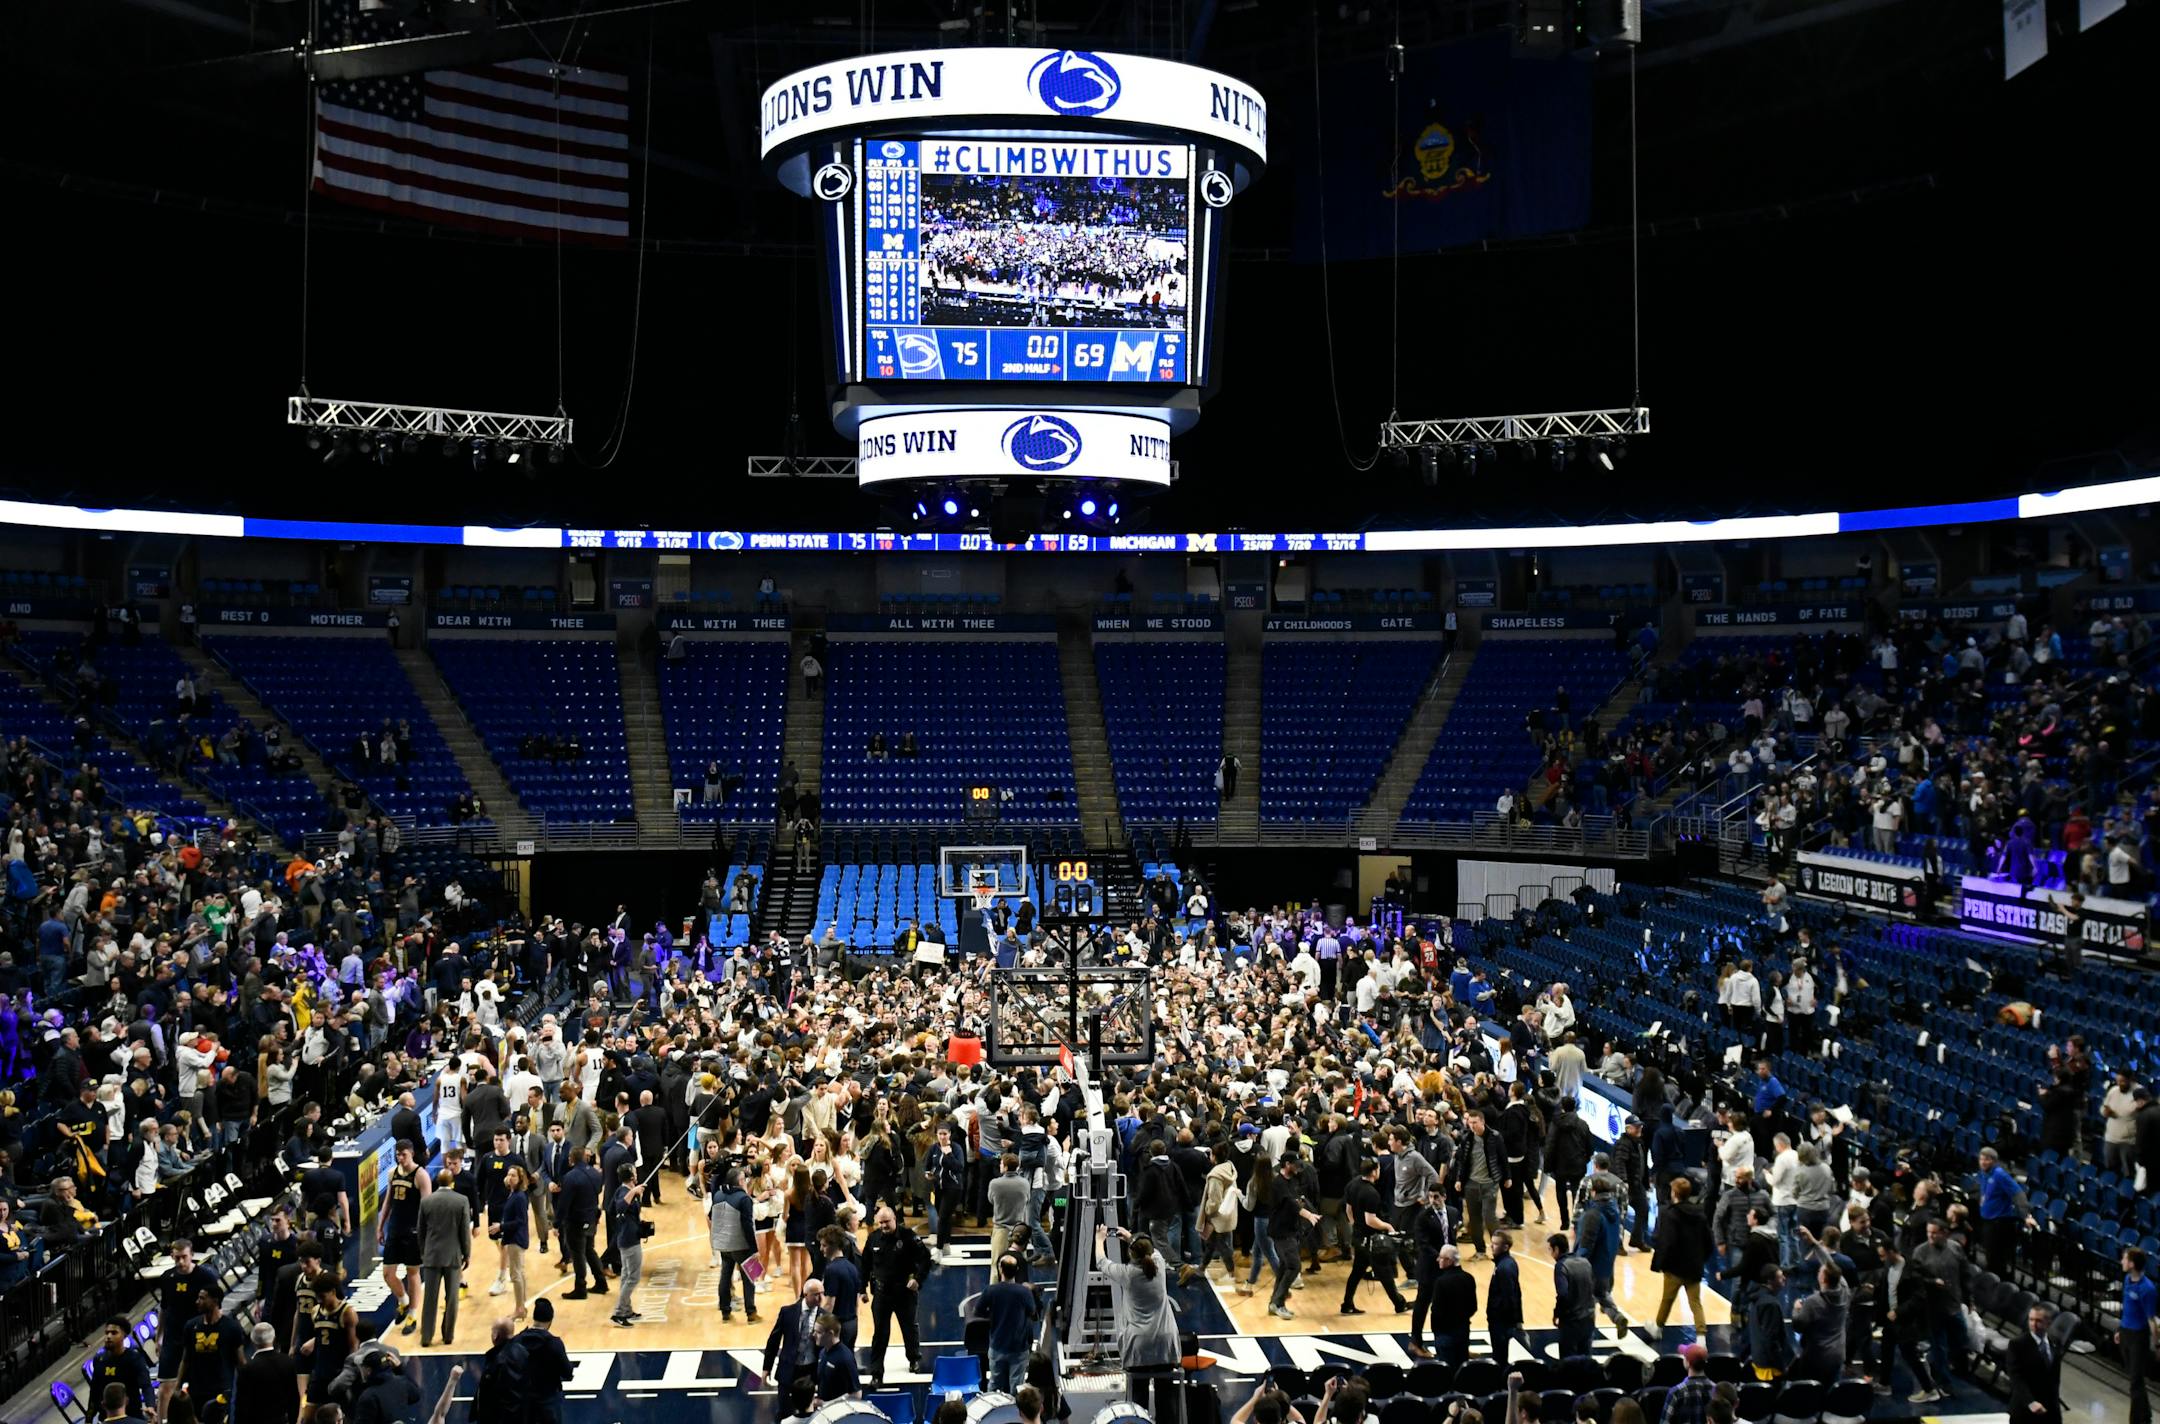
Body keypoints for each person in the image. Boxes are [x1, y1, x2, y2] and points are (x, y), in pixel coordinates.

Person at [1096, 1224, 1180, 1405]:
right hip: (1165, 1344)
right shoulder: (1158, 1263)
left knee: (1137, 1405)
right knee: (1166, 1403)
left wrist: (1099, 1239)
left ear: (1130, 1254)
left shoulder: (1128, 1274)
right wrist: (1130, 1237)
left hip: (1139, 1346)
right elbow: (1148, 1250)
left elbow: (1101, 1262)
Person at [861, 1204, 931, 1386]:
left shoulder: (908, 1237)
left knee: (909, 1327)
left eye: (887, 1222)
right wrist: (862, 1289)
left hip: (905, 1293)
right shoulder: (873, 1239)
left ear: (894, 1220)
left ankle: (914, 1359)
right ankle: (876, 1373)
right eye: (880, 1222)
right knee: (880, 1334)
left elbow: (925, 1258)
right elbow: (865, 1265)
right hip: (882, 1293)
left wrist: (918, 1279)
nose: (883, 1226)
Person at [1650, 1177, 1714, 1332]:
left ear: (1674, 1193)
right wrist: (1701, 1259)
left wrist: (1658, 1264)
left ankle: (1657, 1328)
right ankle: (1701, 1336)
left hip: (1674, 1267)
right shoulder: (1700, 1214)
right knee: (1695, 1303)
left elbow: (1666, 1242)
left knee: (1667, 1300)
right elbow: (1709, 1240)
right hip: (1694, 1266)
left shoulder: (1670, 1214)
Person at [417, 1167, 470, 1348]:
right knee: (452, 1299)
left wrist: (424, 1252)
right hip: (453, 1255)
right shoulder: (461, 1201)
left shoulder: (426, 1202)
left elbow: (421, 1231)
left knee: (429, 1299)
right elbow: (464, 1231)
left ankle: (426, 1337)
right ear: (452, 1181)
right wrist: (467, 1253)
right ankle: (448, 1335)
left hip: (432, 1255)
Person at [176, 1288, 247, 1424]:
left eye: (202, 1298)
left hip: (221, 1390)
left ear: (215, 1301)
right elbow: (185, 1360)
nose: (197, 1302)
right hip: (196, 1389)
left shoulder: (231, 1327)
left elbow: (241, 1362)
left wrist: (245, 1389)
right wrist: (177, 1386)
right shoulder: (191, 1326)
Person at [982, 1253, 1040, 1393]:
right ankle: (1015, 1413)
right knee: (1016, 1387)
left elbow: (978, 1311)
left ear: (1000, 1269)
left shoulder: (991, 1290)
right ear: (1017, 1269)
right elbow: (1033, 1313)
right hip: (1018, 1348)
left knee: (994, 1384)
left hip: (997, 1345)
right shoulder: (1024, 1292)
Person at [511, 1300, 575, 1424]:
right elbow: (568, 1373)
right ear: (550, 1320)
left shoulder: (516, 1341)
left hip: (522, 1404)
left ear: (534, 1318)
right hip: (548, 1403)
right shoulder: (554, 1344)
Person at [761, 1278, 825, 1400]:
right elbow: (774, 1341)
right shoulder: (787, 1312)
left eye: (822, 1293)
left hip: (811, 1371)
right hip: (789, 1369)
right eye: (816, 1295)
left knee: (807, 1410)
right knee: (784, 1408)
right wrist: (766, 1367)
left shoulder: (825, 1316)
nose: (821, 1298)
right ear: (806, 1294)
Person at [2006, 1305, 2063, 1424]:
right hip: (2025, 1408)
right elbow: (2016, 1377)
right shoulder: (2017, 1344)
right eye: (2031, 1320)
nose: (2033, 1324)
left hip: (2049, 1408)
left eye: (2038, 1321)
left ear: (2048, 1322)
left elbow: (2054, 1379)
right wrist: (2030, 1402)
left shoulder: (2055, 1343)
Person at [2121, 1248, 2158, 1424]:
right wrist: (2119, 1330)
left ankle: (2137, 1420)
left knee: (2135, 1380)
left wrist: (2157, 1344)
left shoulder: (2148, 1289)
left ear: (2132, 1264)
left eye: (2125, 1259)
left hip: (2138, 1336)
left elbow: (2152, 1319)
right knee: (2133, 1377)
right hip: (2125, 1332)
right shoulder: (2126, 1280)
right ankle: (2145, 1415)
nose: (2122, 1261)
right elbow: (2127, 1308)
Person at [608, 1163, 646, 1327]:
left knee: (626, 1275)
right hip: (629, 1240)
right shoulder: (625, 1192)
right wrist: (633, 1192)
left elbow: (611, 1209)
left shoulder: (620, 1190)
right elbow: (618, 1207)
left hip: (628, 1237)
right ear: (631, 1176)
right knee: (633, 1277)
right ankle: (618, 1312)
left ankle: (626, 1310)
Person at [1549, 1231, 1596, 1358]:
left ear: (1556, 1249)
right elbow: (1593, 1288)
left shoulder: (1561, 1266)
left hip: (1571, 1322)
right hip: (1589, 1319)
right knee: (1586, 1361)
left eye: (1550, 1249)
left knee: (1568, 1364)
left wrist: (1556, 1313)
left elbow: (1563, 1294)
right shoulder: (1585, 1262)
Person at [811, 1311, 858, 1404]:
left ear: (830, 1334)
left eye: (818, 1332)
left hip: (837, 1414)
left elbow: (856, 1394)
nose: (813, 1335)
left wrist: (826, 1404)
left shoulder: (845, 1358)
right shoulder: (823, 1352)